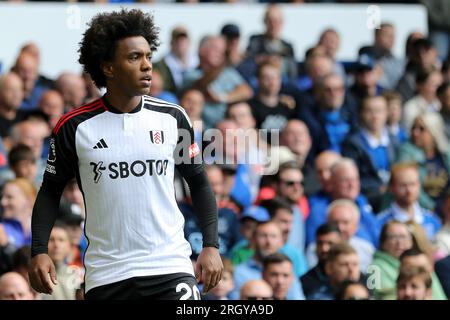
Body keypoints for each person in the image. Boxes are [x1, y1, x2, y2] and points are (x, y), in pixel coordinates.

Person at [28, 9, 222, 300]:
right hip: (107, 274)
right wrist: (39, 250)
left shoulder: (173, 117)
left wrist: (211, 244)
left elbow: (199, 182)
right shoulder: (74, 127)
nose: (147, 66)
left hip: (169, 265)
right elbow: (49, 191)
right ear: (108, 67)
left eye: (148, 56)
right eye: (134, 57)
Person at [377, 163, 442, 241]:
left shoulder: (432, 220)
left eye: (413, 184)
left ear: (419, 185)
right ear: (392, 188)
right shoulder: (381, 223)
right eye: (403, 185)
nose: (409, 190)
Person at [369, 221, 414, 300]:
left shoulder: (418, 263)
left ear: (411, 241)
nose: (399, 242)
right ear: (383, 242)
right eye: (393, 237)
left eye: (403, 237)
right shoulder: (375, 268)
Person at [301, 223, 342, 299]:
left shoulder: (351, 276)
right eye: (320, 243)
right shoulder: (305, 281)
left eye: (330, 243)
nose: (324, 248)